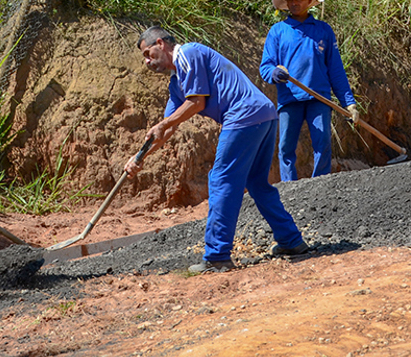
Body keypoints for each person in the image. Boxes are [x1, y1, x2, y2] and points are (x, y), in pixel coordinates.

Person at [124, 27, 309, 273]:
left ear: (161, 43)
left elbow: (196, 102)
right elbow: (167, 129)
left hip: (244, 115)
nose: (148, 61)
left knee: (221, 180)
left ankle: (217, 255)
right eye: (145, 58)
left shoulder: (189, 53)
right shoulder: (177, 82)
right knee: (256, 183)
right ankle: (291, 241)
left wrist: (164, 124)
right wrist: (139, 157)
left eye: (148, 53)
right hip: (264, 114)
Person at [259, 0, 358, 181]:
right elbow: (266, 66)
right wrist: (275, 73)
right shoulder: (278, 32)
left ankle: (320, 185)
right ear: (286, 2)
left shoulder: (323, 30)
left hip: (319, 98)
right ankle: (289, 188)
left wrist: (349, 103)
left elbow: (336, 70)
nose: (295, 2)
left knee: (322, 144)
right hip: (289, 99)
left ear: (309, 1)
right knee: (286, 147)